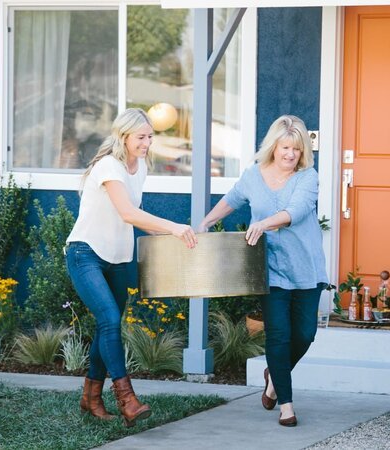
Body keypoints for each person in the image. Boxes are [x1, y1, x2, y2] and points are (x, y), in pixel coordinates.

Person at [65, 108, 197, 427]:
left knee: (107, 326)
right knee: (109, 319)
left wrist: (180, 237)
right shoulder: (109, 165)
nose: (147, 143)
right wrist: (174, 226)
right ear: (123, 136)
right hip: (87, 253)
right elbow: (127, 213)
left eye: (150, 137)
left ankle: (90, 398)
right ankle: (128, 400)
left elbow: (138, 214)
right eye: (141, 137)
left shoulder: (141, 167)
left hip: (120, 258)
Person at [199, 114, 328, 427]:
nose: (290, 155)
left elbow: (294, 212)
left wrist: (262, 223)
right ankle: (286, 405)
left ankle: (273, 378)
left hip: (305, 269)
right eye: (285, 147)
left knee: (305, 335)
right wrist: (204, 223)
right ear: (274, 146)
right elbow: (231, 200)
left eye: (296, 150)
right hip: (269, 269)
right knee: (279, 335)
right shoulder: (253, 176)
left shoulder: (308, 177)